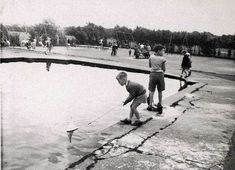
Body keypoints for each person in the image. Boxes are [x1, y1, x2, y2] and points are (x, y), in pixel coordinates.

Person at [147, 44, 166, 114]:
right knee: (160, 91)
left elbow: (149, 66)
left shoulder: (151, 57)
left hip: (152, 74)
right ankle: (160, 103)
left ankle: (150, 105)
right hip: (160, 75)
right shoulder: (163, 59)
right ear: (158, 51)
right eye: (162, 51)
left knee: (151, 91)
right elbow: (164, 69)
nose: (163, 52)